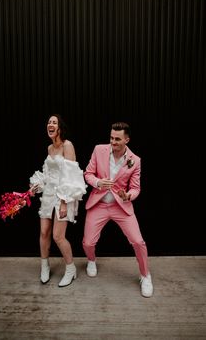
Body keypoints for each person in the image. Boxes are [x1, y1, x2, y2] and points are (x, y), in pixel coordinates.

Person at [82, 121, 153, 297]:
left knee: (138, 242)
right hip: (98, 204)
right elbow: (88, 174)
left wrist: (128, 195)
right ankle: (91, 260)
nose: (113, 142)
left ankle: (145, 276)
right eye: (111, 138)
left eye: (117, 139)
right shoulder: (99, 150)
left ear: (126, 140)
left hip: (121, 207)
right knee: (88, 243)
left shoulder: (135, 161)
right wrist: (98, 182)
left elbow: (136, 188)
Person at [29, 114, 87, 287]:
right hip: (48, 194)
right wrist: (37, 186)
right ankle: (44, 266)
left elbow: (71, 176)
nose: (50, 125)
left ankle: (71, 269)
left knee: (58, 236)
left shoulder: (67, 145)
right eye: (48, 122)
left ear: (60, 128)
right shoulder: (49, 148)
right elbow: (48, 174)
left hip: (64, 195)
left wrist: (63, 201)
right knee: (44, 232)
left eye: (54, 122)